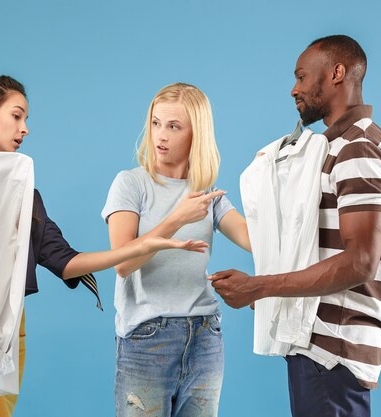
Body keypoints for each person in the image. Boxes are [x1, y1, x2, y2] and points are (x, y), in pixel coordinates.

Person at [0, 76, 208, 417]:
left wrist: (141, 245)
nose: (24, 129)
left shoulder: (24, 194)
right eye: (16, 116)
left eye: (25, 119)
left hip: (10, 331)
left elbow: (66, 261)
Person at [209, 35, 381, 417]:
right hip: (322, 349)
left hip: (333, 351)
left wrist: (260, 287)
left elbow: (361, 261)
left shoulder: (358, 147)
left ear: (336, 73)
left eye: (301, 77)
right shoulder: (333, 147)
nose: (293, 89)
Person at [102, 82, 251, 417]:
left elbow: (252, 239)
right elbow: (123, 263)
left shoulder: (204, 192)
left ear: (196, 134)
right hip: (147, 338)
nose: (161, 136)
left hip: (204, 336)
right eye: (156, 123)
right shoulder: (131, 184)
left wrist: (267, 181)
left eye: (173, 126)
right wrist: (176, 219)